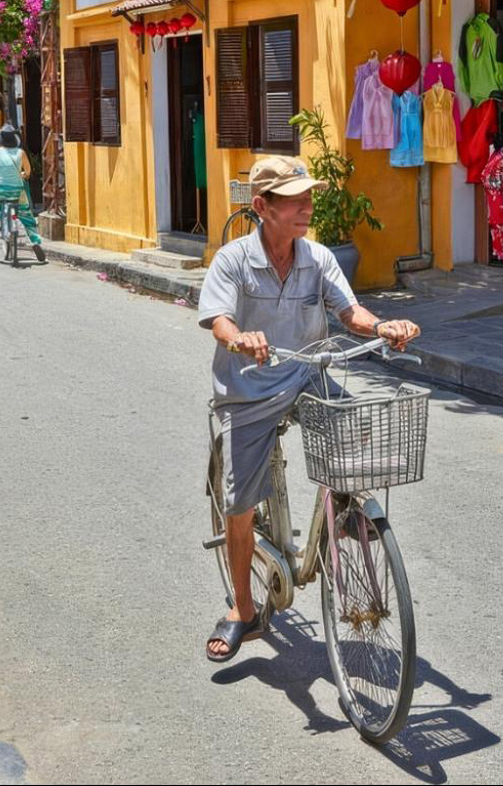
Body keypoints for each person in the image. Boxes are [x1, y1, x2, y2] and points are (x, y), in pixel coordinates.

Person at [197, 156, 421, 662]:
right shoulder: (233, 259)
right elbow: (218, 320)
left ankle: (344, 513)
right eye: (294, 200)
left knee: (357, 432)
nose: (307, 206)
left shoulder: (317, 257)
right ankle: (243, 609)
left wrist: (381, 325)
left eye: (307, 197)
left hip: (306, 374)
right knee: (239, 504)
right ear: (262, 207)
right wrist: (239, 339)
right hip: (249, 389)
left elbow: (349, 310)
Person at [0, 127, 45, 262]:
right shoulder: (21, 153)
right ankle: (35, 241)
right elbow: (28, 171)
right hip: (18, 190)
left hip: (0, 189)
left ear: (0, 140)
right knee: (26, 215)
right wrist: (24, 174)